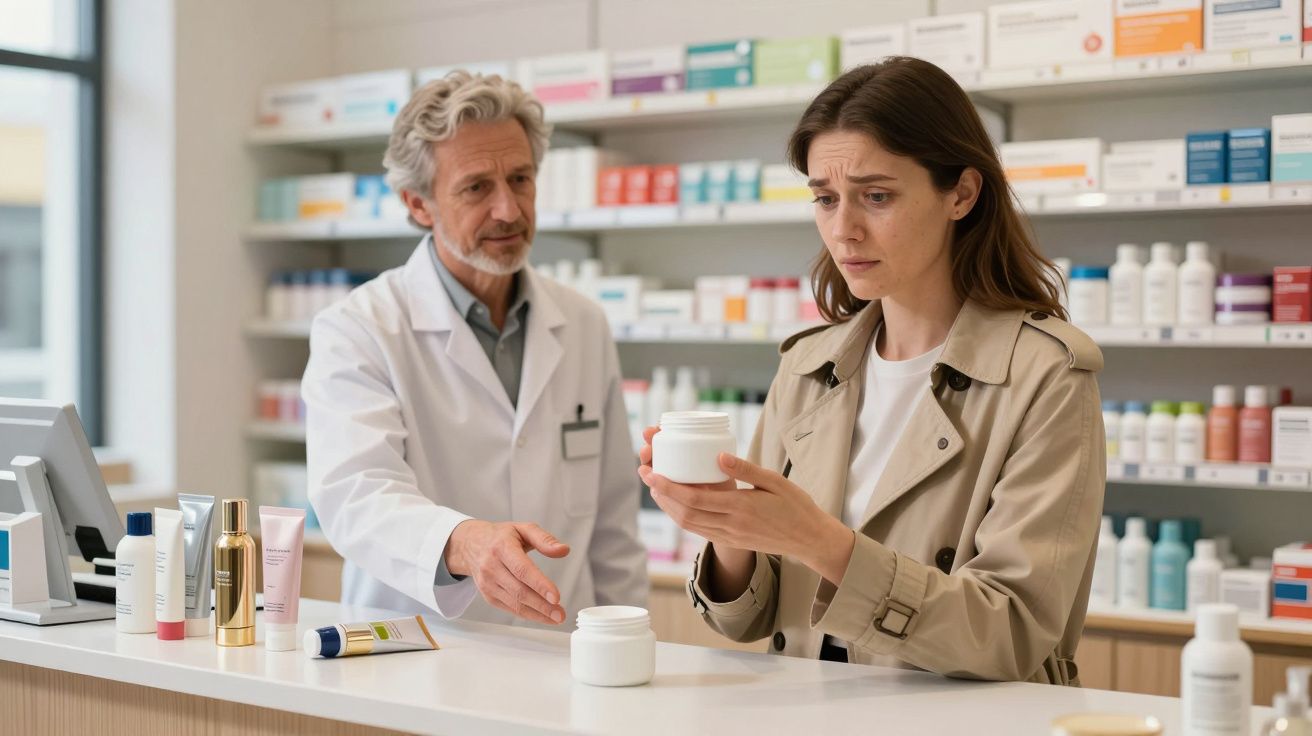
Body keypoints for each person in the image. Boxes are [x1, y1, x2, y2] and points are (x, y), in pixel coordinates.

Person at [638, 57, 1105, 683]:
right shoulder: (808, 367)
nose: (843, 230)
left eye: (876, 196)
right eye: (825, 199)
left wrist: (820, 543)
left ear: (962, 194)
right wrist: (728, 526)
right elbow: (748, 621)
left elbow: (1010, 634)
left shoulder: (1045, 377)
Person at [304, 71, 646, 628]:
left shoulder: (583, 322)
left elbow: (613, 526)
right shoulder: (359, 328)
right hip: (420, 648)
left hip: (567, 654)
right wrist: (464, 542)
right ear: (418, 204)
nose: (508, 210)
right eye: (476, 188)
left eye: (520, 179)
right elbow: (355, 495)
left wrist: (629, 642)